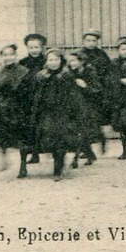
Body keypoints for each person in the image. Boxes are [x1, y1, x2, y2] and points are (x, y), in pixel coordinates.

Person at [30, 50, 79, 180]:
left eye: (56, 60)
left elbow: (73, 95)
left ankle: (58, 168)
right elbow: (35, 94)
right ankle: (58, 162)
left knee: (60, 139)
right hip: (46, 112)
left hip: (62, 113)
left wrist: (71, 111)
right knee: (48, 138)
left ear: (61, 61)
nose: (53, 63)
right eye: (50, 60)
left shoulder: (66, 75)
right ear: (46, 62)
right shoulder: (41, 76)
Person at [0, 43, 32, 177]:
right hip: (4, 107)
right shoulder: (0, 72)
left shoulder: (23, 71)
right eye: (5, 55)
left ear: (15, 56)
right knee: (2, 134)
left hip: (19, 107)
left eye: (11, 55)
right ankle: (4, 157)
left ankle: (23, 166)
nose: (8, 58)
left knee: (22, 138)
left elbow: (27, 91)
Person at [64, 50, 100, 169]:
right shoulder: (68, 73)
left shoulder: (90, 72)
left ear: (81, 61)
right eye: (69, 62)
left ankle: (75, 159)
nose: (71, 64)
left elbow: (97, 90)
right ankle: (90, 155)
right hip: (73, 106)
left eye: (74, 61)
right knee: (79, 132)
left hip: (87, 106)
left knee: (82, 131)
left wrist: (85, 86)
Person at [79, 30, 114, 155]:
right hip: (84, 92)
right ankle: (85, 148)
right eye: (88, 40)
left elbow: (109, 71)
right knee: (83, 120)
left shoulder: (102, 54)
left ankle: (101, 141)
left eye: (94, 41)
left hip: (99, 91)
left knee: (98, 119)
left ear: (97, 42)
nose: (91, 43)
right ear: (84, 41)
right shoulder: (79, 54)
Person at [17, 33, 48, 164]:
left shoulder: (47, 61)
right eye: (31, 47)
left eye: (37, 47)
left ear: (42, 48)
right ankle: (34, 154)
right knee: (30, 127)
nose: (34, 50)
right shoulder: (23, 63)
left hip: (44, 98)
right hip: (28, 99)